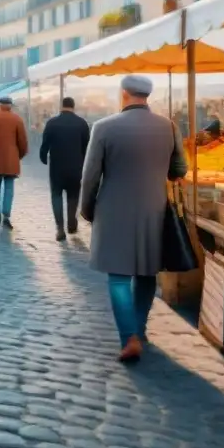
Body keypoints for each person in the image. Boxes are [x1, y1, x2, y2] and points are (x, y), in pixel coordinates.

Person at [80, 75, 186, 363]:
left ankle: (129, 338)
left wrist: (87, 209)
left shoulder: (103, 127)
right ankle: (139, 329)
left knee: (118, 277)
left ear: (124, 94)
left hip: (114, 209)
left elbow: (90, 177)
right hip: (154, 208)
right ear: (146, 96)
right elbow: (180, 169)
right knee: (147, 272)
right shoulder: (168, 127)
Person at [40, 97, 90, 241]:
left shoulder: (52, 123)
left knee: (56, 196)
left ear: (61, 106)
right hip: (76, 167)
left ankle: (60, 228)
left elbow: (45, 144)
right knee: (73, 196)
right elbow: (87, 147)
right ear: (73, 107)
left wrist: (43, 158)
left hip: (57, 167)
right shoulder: (82, 123)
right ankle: (72, 223)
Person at [0, 96, 29, 228]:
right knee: (9, 187)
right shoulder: (17, 119)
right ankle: (6, 214)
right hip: (11, 159)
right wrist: (17, 156)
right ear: (10, 105)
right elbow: (23, 143)